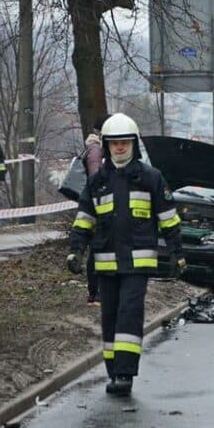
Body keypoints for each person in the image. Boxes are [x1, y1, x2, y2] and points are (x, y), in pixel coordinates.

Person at [66, 113, 186, 396]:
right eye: (114, 144)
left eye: (124, 143)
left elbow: (169, 219)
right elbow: (84, 220)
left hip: (138, 263)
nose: (119, 148)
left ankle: (125, 373)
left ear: (133, 144)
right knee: (109, 317)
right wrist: (75, 251)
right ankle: (113, 371)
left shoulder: (151, 178)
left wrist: (177, 253)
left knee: (129, 314)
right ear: (107, 146)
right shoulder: (97, 182)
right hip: (106, 264)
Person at [82, 115, 109, 306]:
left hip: (102, 207)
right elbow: (96, 180)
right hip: (98, 209)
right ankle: (95, 293)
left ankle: (100, 292)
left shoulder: (100, 149)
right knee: (97, 250)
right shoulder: (96, 151)